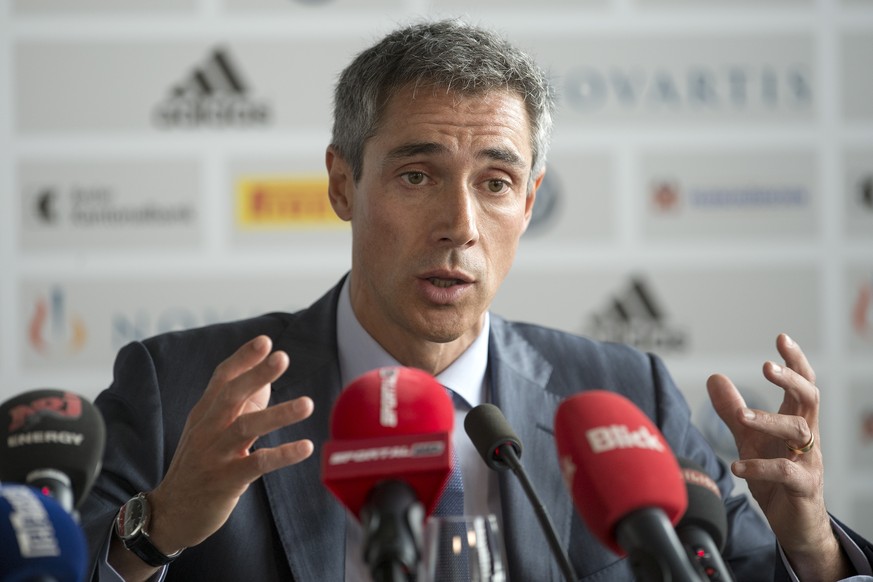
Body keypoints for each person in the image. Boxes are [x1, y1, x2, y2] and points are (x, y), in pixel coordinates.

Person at [80, 19, 873, 581]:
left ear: (528, 204)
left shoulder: (626, 398)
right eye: (417, 176)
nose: (459, 226)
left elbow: (735, 572)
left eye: (494, 184)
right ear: (341, 182)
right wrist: (152, 535)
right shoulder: (179, 390)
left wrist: (809, 547)